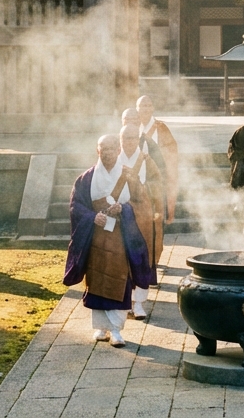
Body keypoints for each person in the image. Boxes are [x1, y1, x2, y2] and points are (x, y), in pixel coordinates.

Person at [63, 134, 151, 347]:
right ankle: (101, 328)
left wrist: (125, 209)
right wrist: (93, 217)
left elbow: (143, 204)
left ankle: (117, 331)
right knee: (96, 280)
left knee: (119, 278)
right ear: (97, 151)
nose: (108, 153)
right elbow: (76, 206)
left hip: (120, 238)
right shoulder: (86, 179)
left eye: (112, 148)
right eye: (103, 149)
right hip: (96, 238)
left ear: (118, 150)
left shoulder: (128, 176)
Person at [117, 123, 164, 320]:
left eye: (133, 138)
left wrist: (146, 191)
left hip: (143, 213)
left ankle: (139, 304)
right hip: (120, 213)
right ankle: (125, 301)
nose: (129, 142)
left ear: (138, 140)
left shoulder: (146, 159)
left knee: (142, 257)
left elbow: (157, 182)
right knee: (122, 259)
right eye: (126, 138)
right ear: (120, 139)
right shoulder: (114, 159)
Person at [137, 94, 179, 224]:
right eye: (143, 106)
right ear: (137, 108)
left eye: (149, 105)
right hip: (137, 172)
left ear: (153, 108)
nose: (146, 108)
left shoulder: (160, 127)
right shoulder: (132, 126)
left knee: (157, 210)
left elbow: (172, 149)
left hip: (157, 173)